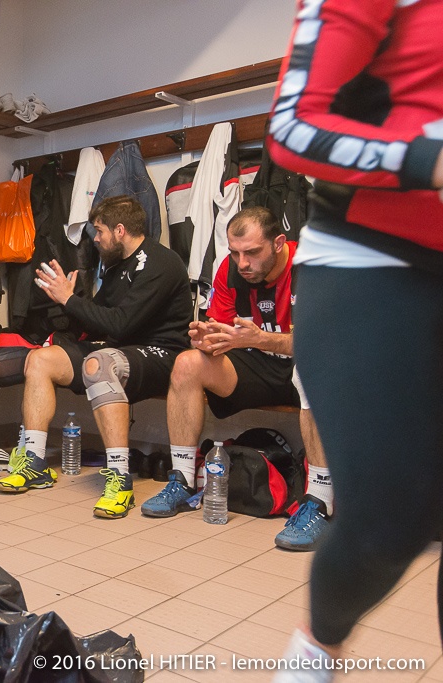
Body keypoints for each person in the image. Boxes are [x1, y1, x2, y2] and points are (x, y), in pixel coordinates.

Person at [264, 0, 443, 676]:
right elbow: (292, 127)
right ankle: (315, 653)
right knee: (389, 523)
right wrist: (429, 160)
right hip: (371, 256)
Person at [140, 207, 334, 551]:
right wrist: (206, 339)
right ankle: (182, 481)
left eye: (252, 253)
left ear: (277, 243)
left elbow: (318, 343)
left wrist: (258, 338)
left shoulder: (312, 266)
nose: (242, 262)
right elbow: (222, 331)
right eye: (235, 252)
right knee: (187, 363)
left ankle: (319, 502)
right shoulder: (229, 271)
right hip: (258, 366)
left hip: (308, 366)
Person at [2, 195, 192, 516]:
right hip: (122, 350)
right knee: (40, 359)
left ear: (120, 230)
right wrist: (67, 298)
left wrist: (71, 301)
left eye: (100, 231)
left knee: (100, 363)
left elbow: (121, 324)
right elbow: (95, 322)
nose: (96, 239)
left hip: (163, 355)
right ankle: (33, 461)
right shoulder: (118, 267)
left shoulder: (160, 262)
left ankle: (119, 477)